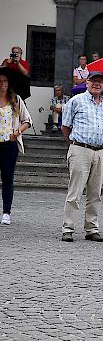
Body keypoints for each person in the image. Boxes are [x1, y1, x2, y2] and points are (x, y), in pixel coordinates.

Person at [60, 71, 103, 242]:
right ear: (87, 82)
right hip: (80, 149)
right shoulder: (76, 101)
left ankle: (92, 228)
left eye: (100, 82)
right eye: (93, 81)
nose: (96, 84)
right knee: (75, 192)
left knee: (95, 193)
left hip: (101, 152)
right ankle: (68, 228)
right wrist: (73, 145)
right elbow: (65, 126)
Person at [0, 68, 32, 225]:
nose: (2, 84)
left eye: (5, 81)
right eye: (0, 82)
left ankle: (6, 212)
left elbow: (27, 120)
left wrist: (18, 131)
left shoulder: (16, 99)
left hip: (9, 145)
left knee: (7, 178)